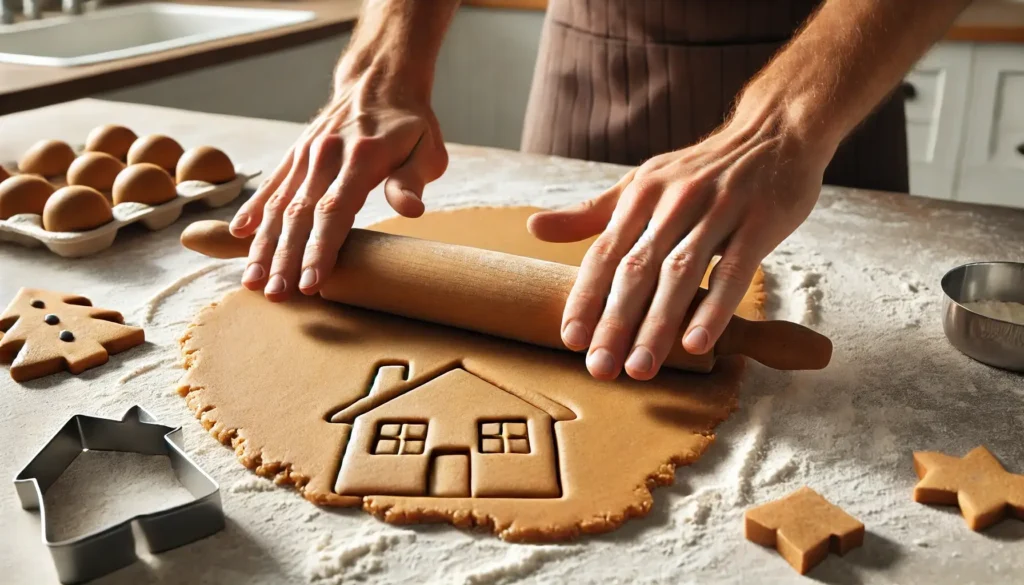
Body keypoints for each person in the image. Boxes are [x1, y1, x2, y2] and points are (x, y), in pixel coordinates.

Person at [228, 0, 972, 381]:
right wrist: (384, 58)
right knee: (571, 263)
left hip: (829, 89)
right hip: (595, 63)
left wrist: (784, 125)